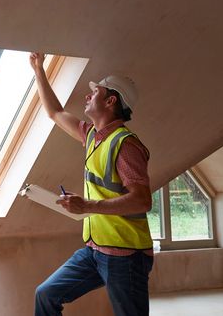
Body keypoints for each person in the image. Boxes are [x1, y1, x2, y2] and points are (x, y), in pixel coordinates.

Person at [29, 52, 154, 316]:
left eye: (94, 92)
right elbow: (55, 112)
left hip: (126, 255)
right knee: (46, 294)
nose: (87, 96)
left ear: (110, 101)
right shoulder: (92, 136)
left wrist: (86, 205)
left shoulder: (126, 144)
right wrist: (39, 70)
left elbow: (142, 200)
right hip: (95, 251)